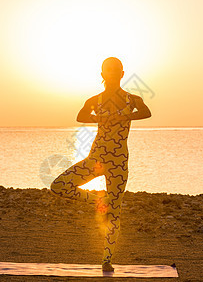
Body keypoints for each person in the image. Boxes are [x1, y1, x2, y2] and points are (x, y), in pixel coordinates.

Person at [50, 57, 152, 272]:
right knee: (58, 186)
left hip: (119, 163)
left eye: (117, 70)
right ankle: (99, 198)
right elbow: (80, 116)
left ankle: (107, 259)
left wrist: (123, 115)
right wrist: (100, 119)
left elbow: (146, 112)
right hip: (95, 159)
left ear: (122, 74)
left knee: (114, 213)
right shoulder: (94, 100)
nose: (113, 74)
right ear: (103, 74)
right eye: (109, 70)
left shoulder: (132, 100)